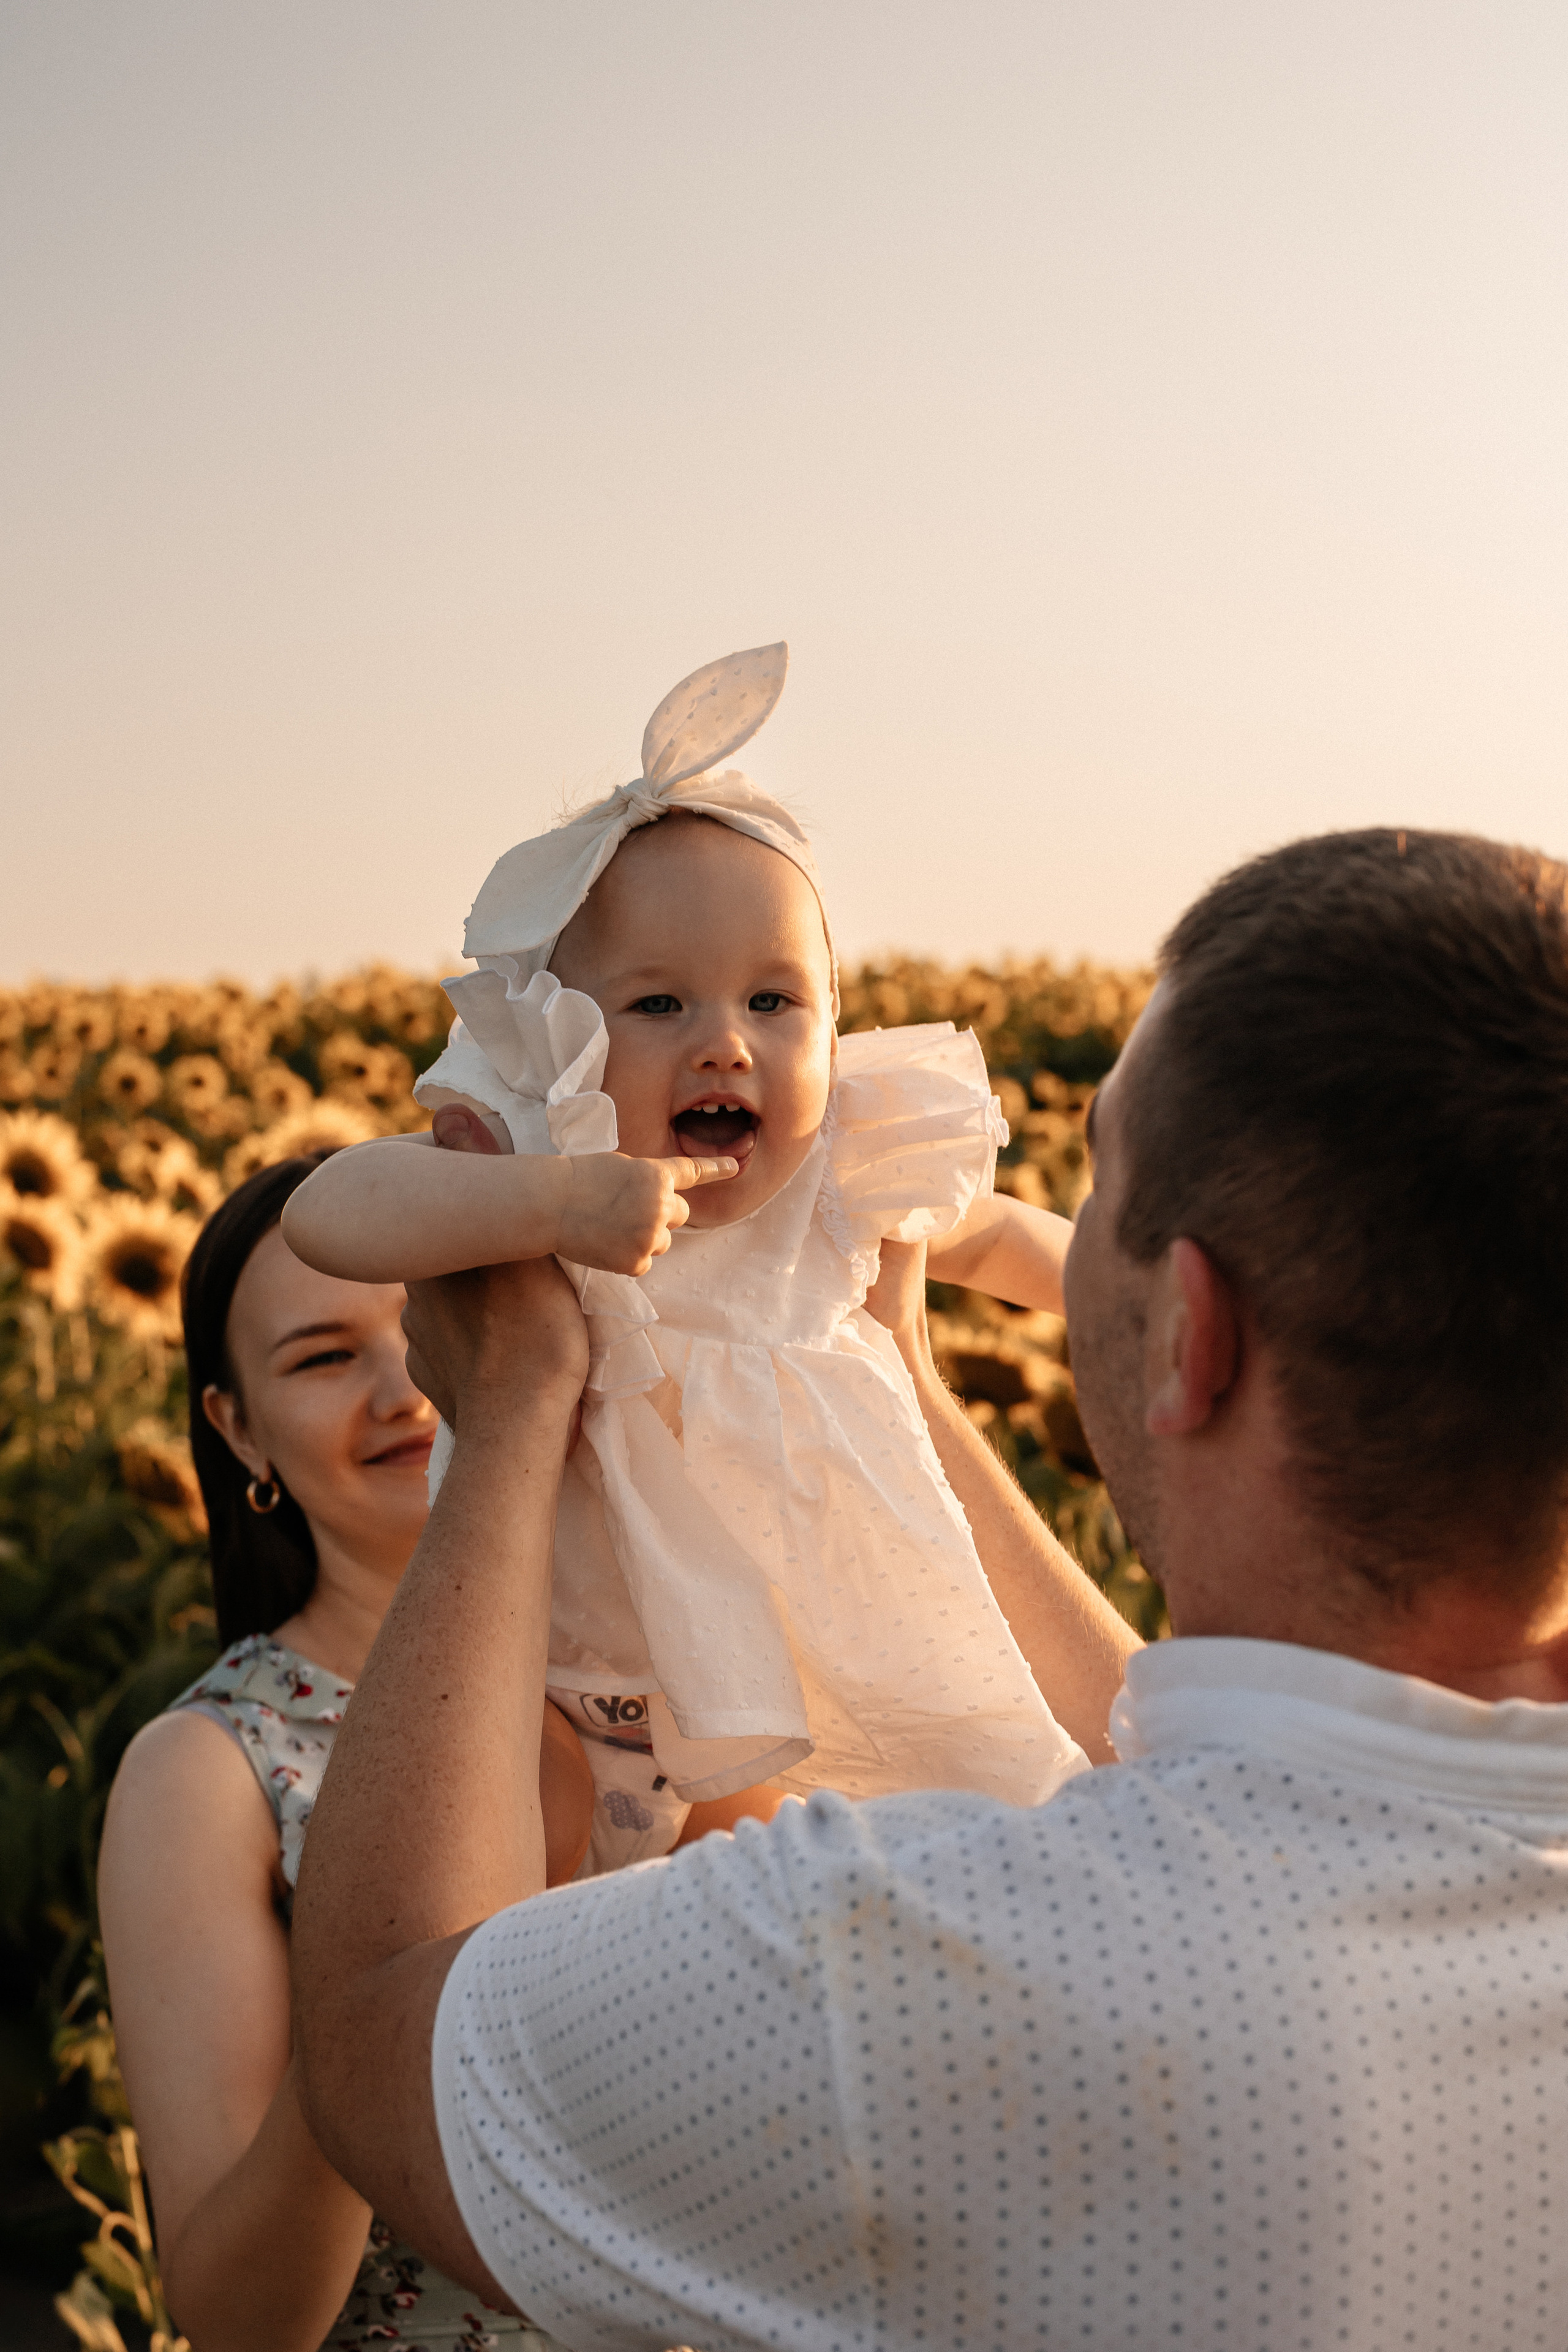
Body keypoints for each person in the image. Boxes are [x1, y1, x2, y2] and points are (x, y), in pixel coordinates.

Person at [292, 826, 1568, 2350]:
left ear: (1187, 1332)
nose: (725, 1042)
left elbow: (382, 2043)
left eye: (1101, 1186)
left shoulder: (900, 1972)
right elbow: (1197, 1773)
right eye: (660, 1005)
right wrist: (892, 1370)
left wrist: (507, 1418)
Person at [283, 643, 1103, 1870]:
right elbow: (330, 1212)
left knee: (953, 1850)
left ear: (836, 1023)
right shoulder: (541, 1145)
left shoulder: (843, 1165)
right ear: (558, 1035)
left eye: (774, 1004)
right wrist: (546, 1204)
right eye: (658, 1005)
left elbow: (1010, 1243)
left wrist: (1126, 1294)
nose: (724, 1045)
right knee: (527, 1908)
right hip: (570, 1675)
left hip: (842, 1652)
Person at [97, 1156, 601, 2352]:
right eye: (324, 1357)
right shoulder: (212, 1771)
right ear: (237, 1429)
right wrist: (370, 1984)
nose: (407, 1389)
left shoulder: (649, 1691)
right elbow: (238, 2319)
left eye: (434, 1322)